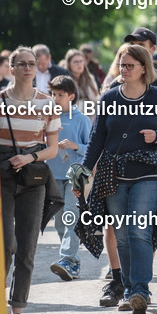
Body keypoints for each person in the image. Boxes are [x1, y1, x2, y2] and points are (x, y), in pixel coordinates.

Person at [80, 44, 157, 314]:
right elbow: (96, 139)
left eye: (130, 65)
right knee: (122, 235)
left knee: (139, 230)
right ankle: (128, 289)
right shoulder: (109, 98)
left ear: (144, 68)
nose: (124, 70)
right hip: (114, 175)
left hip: (149, 174)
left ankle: (141, 290)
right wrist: (83, 171)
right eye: (122, 65)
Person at [0, 47, 60, 314]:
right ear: (11, 68)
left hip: (33, 178)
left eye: (31, 64)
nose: (27, 68)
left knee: (27, 246)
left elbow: (53, 149)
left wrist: (30, 157)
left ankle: (17, 311)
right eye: (21, 63)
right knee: (4, 244)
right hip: (2, 176)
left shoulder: (47, 103)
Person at [47, 75, 92, 282]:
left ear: (71, 97)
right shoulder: (48, 118)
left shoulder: (82, 120)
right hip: (53, 175)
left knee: (70, 217)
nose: (55, 99)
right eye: (53, 94)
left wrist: (75, 146)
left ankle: (66, 258)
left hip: (75, 175)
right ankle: (72, 262)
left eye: (60, 95)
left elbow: (91, 149)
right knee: (59, 222)